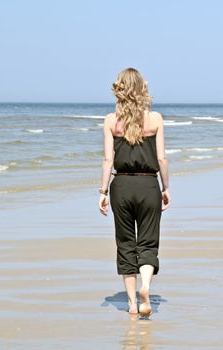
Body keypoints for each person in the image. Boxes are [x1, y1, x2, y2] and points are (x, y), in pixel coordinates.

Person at [98, 67, 171, 317]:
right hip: (149, 184)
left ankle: (131, 303)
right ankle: (146, 287)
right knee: (148, 241)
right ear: (143, 89)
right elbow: (161, 158)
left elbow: (108, 160)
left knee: (126, 243)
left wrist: (103, 191)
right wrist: (166, 187)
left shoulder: (110, 121)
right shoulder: (155, 119)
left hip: (121, 187)